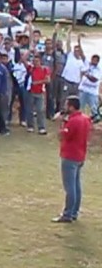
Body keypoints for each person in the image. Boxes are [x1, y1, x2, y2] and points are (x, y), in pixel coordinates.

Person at [54, 96, 90, 224]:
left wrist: (60, 123)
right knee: (76, 186)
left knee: (70, 187)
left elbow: (62, 136)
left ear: (71, 107)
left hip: (70, 156)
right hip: (80, 155)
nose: (65, 107)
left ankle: (67, 214)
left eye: (66, 105)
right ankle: (74, 212)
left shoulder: (74, 121)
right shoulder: (85, 119)